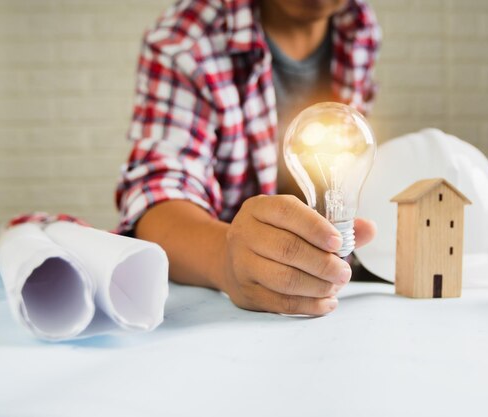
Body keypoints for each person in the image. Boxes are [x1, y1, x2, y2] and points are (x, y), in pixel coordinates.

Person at [115, 0, 382, 316]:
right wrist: (225, 256)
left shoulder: (358, 23)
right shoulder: (185, 41)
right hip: (228, 303)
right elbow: (159, 196)